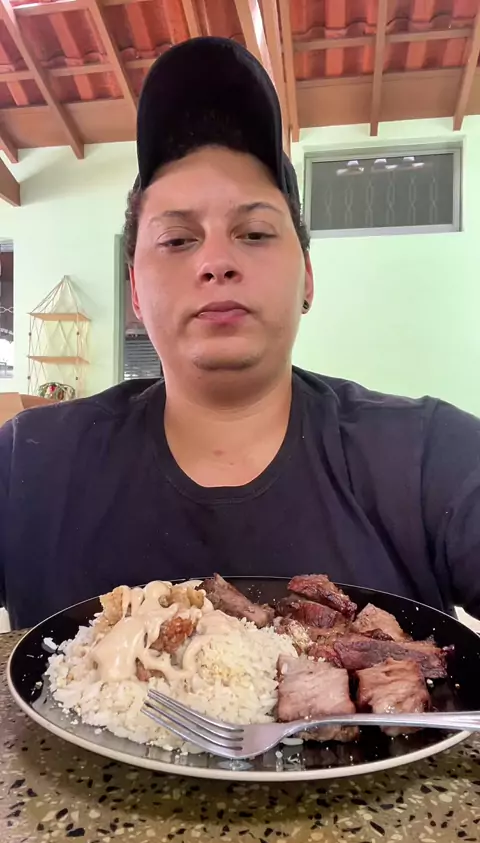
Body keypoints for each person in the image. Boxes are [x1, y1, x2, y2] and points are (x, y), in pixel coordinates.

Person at [1, 37, 480, 630]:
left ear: (307, 278)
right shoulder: (29, 464)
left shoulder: (428, 458)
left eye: (254, 233)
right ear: (135, 293)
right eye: (178, 239)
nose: (216, 262)